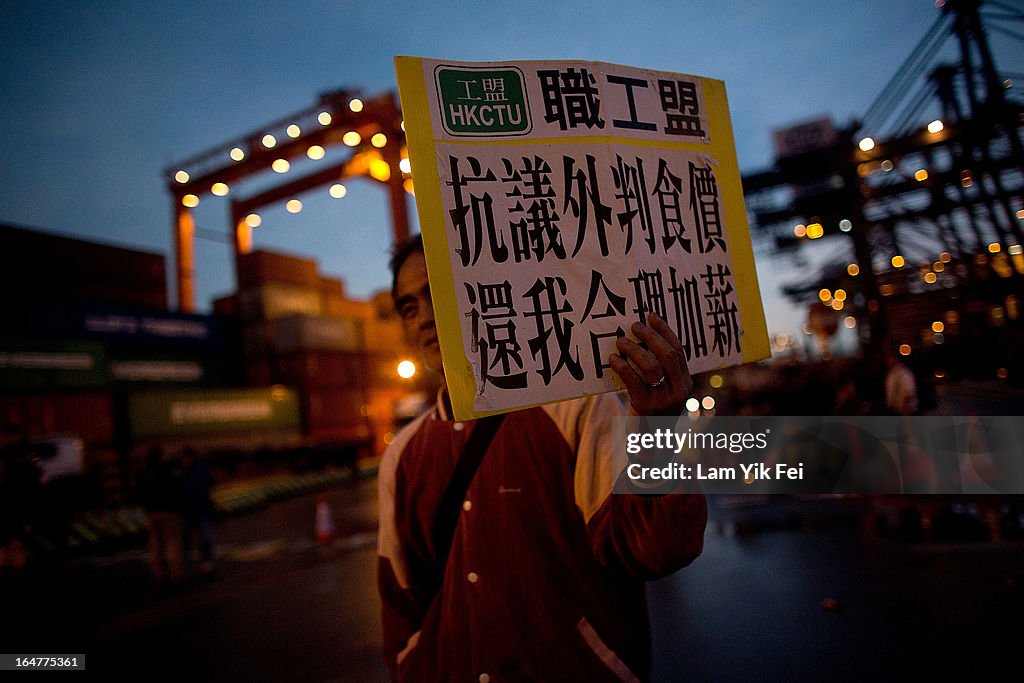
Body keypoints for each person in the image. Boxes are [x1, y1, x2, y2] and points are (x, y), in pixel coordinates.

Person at [377, 234, 707, 682]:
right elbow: (400, 606)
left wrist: (659, 433)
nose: (426, 319)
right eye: (409, 307)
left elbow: (652, 550)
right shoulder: (402, 455)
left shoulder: (573, 407)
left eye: (438, 293)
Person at [138, 446, 185, 586]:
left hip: (152, 512)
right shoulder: (168, 472)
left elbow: (141, 493)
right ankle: (176, 573)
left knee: (155, 544)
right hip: (169, 511)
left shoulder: (144, 473)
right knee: (172, 543)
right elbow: (177, 489)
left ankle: (158, 574)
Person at [884, 347, 919, 416]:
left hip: (906, 412)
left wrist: (904, 412)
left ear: (896, 359)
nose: (888, 361)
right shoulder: (891, 374)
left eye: (890, 358)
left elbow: (909, 393)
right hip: (894, 411)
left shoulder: (904, 374)